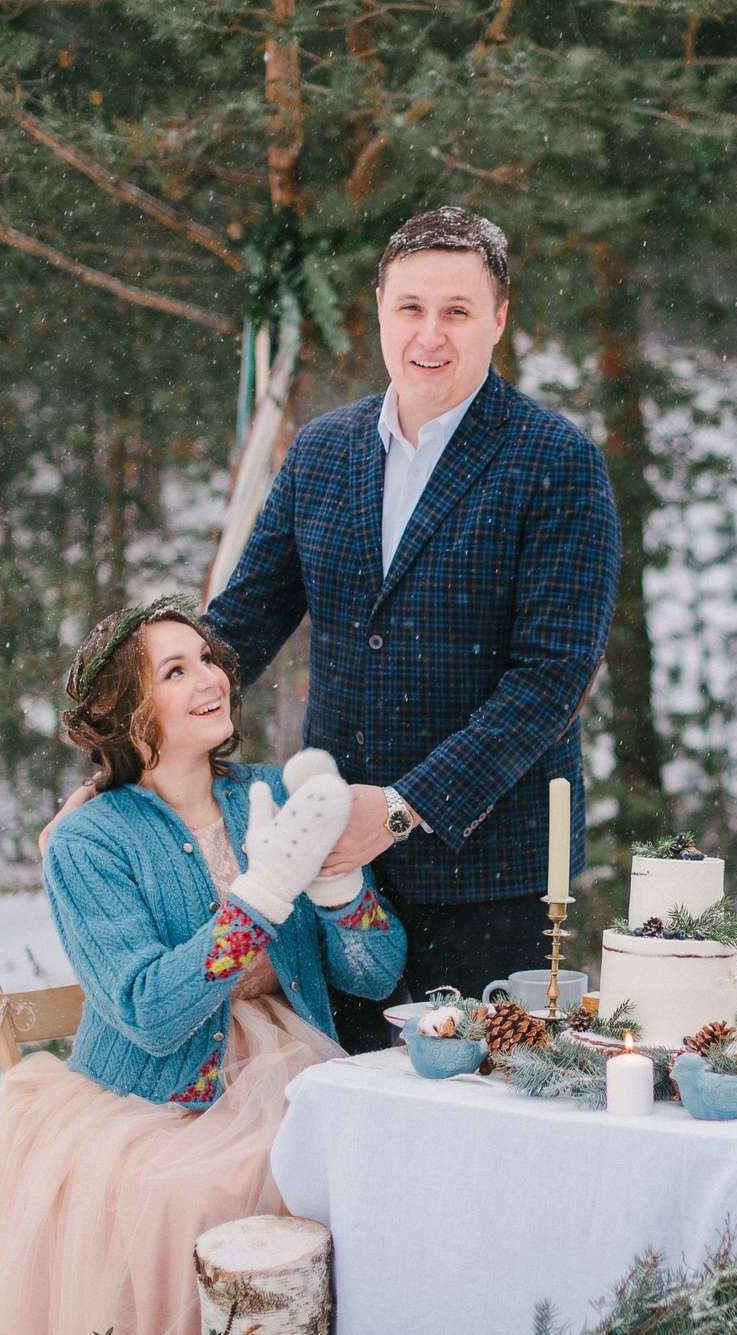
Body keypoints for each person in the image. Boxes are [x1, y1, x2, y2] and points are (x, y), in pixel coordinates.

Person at [204, 206, 622, 1048]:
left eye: (457, 311)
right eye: (411, 307)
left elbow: (550, 681)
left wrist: (401, 807)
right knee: (346, 1103)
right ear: (382, 308)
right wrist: (131, 742)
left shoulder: (555, 463)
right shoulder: (324, 451)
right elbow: (238, 625)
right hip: (336, 867)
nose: (430, 334)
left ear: (499, 319)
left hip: (490, 873)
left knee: (468, 1118)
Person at [0, 596, 405, 1335]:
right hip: (156, 1102)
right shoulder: (87, 842)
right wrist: (261, 894)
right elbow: (152, 1013)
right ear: (128, 709)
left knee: (375, 1167)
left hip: (299, 1066)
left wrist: (337, 886)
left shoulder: (277, 791)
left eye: (208, 659)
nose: (211, 678)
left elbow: (376, 971)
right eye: (176, 670)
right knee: (207, 1192)